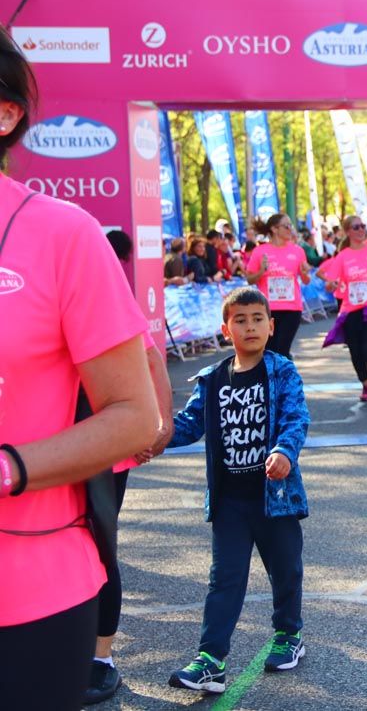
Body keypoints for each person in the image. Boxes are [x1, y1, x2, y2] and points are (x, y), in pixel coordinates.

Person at [0, 27, 159, 710]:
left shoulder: (63, 235)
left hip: (31, 592)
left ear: (5, 113)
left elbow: (136, 418)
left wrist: (9, 467)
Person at [166, 288, 310, 693]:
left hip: (275, 499)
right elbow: (189, 425)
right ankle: (211, 659)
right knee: (224, 579)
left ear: (271, 325)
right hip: (230, 501)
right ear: (225, 329)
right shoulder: (212, 379)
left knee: (286, 571)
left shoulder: (282, 371)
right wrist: (152, 436)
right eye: (241, 320)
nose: (250, 326)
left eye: (257, 319)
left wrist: (284, 450)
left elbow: (296, 417)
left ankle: (288, 635)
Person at [85, 231, 176, 705]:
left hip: (101, 444)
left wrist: (159, 424)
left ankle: (102, 659)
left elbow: (150, 357)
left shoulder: (102, 287)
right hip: (42, 444)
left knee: (99, 544)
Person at [317, 215, 367, 402]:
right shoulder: (343, 256)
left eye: (363, 226)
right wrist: (331, 285)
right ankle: (366, 384)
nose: (361, 230)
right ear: (347, 232)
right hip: (351, 308)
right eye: (356, 227)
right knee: (356, 350)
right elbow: (330, 281)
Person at [246, 213, 311, 358]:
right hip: (267, 309)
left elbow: (306, 281)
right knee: (269, 351)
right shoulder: (260, 252)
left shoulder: (298, 251)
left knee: (282, 349)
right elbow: (250, 279)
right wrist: (262, 271)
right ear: (274, 229)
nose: (290, 229)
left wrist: (305, 273)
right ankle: (278, 376)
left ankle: (284, 376)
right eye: (286, 226)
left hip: (291, 308)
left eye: (291, 226)